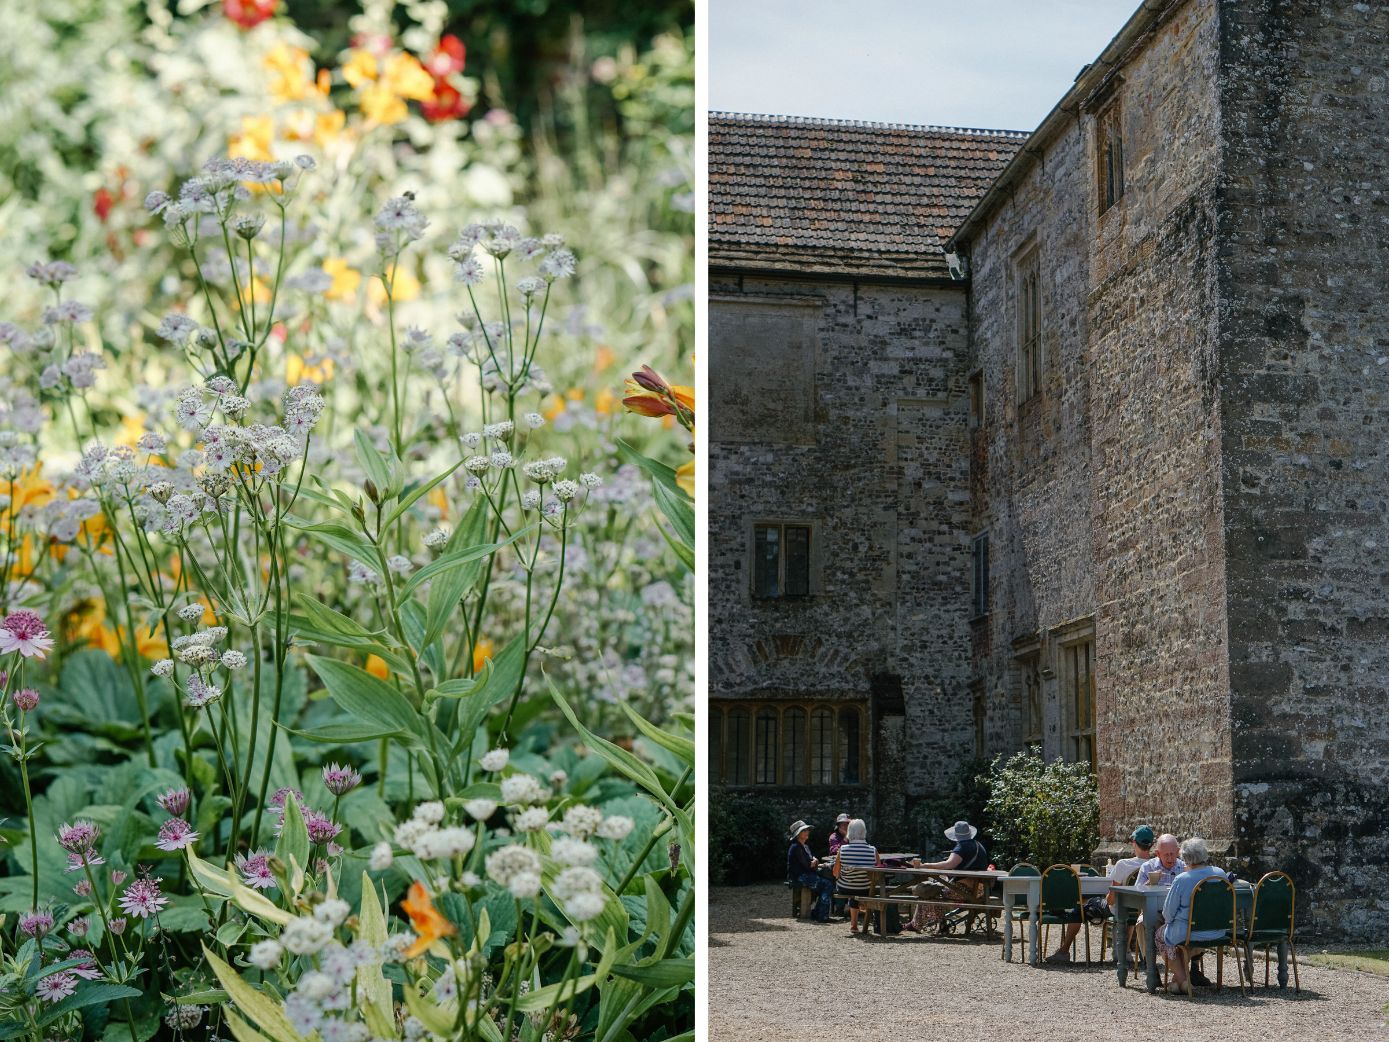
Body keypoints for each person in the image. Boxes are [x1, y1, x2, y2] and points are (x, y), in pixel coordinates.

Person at [1045, 824, 1155, 965]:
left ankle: (1064, 951)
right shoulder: (1155, 865)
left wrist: (1105, 899)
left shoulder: (1123, 865)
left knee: (1080, 908)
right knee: (1130, 910)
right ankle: (1124, 950)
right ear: (1151, 844)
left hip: (1118, 909)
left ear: (1134, 843)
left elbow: (1111, 900)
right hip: (1142, 910)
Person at [1155, 836, 1227, 993]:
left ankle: (1183, 981)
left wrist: (1170, 922)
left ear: (1185, 858)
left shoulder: (1182, 879)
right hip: (1217, 931)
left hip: (1189, 932)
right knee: (1179, 938)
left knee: (1161, 936)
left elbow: (1168, 913)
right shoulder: (1221, 874)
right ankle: (1178, 982)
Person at [903, 820, 990, 933]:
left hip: (964, 891)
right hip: (980, 890)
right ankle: (941, 923)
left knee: (929, 890)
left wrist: (925, 865)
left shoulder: (961, 847)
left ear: (956, 835)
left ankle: (918, 924)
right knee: (936, 885)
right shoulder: (979, 845)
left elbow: (948, 864)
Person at [832, 818, 879, 934]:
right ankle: (862, 907)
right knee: (860, 887)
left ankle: (854, 925)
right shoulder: (873, 850)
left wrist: (842, 876)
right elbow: (878, 873)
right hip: (866, 888)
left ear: (850, 832)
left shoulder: (842, 850)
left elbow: (835, 872)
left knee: (852, 888)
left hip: (846, 887)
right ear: (864, 832)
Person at [785, 819, 833, 922]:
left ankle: (818, 912)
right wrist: (815, 862)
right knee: (827, 884)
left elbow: (810, 863)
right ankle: (821, 915)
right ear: (798, 834)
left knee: (829, 879)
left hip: (805, 874)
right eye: (804, 830)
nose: (807, 832)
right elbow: (807, 865)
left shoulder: (804, 846)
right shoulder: (796, 847)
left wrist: (817, 863)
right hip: (800, 877)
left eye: (807, 830)